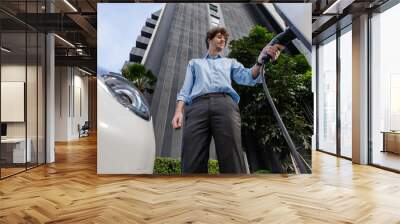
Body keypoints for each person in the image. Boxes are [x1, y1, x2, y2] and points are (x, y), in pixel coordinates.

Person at [171, 27, 283, 174]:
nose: (223, 39)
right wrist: (178, 111)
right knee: (192, 158)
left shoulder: (230, 62)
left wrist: (260, 60)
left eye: (224, 38)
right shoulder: (194, 63)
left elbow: (249, 76)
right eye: (219, 37)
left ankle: (234, 193)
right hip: (197, 106)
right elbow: (185, 90)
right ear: (209, 39)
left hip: (225, 105)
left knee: (231, 156)